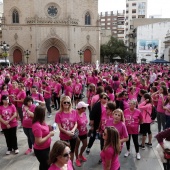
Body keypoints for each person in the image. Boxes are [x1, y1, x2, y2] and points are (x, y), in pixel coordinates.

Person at [55, 96, 77, 162]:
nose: (66, 104)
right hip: (64, 136)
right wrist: (67, 132)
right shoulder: (58, 114)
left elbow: (76, 123)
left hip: (72, 136)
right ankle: (65, 164)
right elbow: (60, 127)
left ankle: (71, 164)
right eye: (65, 102)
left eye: (68, 102)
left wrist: (72, 131)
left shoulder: (74, 112)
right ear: (62, 103)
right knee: (64, 152)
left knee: (72, 150)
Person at [86, 92, 109, 156]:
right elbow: (92, 116)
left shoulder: (108, 105)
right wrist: (92, 125)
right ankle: (88, 147)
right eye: (104, 98)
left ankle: (102, 152)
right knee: (93, 136)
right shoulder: (97, 105)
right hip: (97, 123)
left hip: (105, 124)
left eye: (107, 98)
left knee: (103, 138)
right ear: (101, 99)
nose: (106, 99)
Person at [32, 106, 55, 170]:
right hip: (41, 150)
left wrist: (49, 128)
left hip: (46, 148)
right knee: (46, 165)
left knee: (43, 164)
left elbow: (45, 129)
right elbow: (38, 142)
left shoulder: (42, 121)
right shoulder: (37, 126)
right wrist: (49, 135)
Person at [75, 101, 89, 167]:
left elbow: (86, 122)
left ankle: (80, 155)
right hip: (77, 134)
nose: (85, 109)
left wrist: (86, 129)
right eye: (84, 108)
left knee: (85, 144)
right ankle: (77, 159)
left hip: (84, 132)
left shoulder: (84, 114)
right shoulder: (75, 115)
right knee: (76, 147)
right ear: (80, 108)